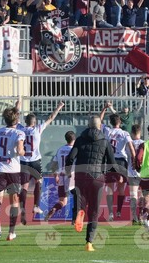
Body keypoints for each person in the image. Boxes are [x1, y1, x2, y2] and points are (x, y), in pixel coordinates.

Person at [66, 115, 114, 252]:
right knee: (94, 210)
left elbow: (70, 158)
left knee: (82, 200)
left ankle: (79, 212)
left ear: (88, 125)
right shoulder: (105, 141)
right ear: (100, 126)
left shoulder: (80, 139)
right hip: (97, 177)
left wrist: (69, 171)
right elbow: (112, 162)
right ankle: (89, 242)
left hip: (81, 175)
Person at [17, 100, 65, 224]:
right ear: (34, 122)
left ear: (26, 122)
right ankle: (35, 206)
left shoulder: (20, 129)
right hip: (35, 161)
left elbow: (15, 116)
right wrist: (59, 106)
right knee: (38, 181)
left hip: (23, 161)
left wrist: (18, 105)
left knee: (24, 186)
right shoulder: (37, 129)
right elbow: (50, 117)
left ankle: (22, 209)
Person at [0, 106, 26, 241]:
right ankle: (11, 231)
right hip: (12, 170)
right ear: (16, 119)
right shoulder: (19, 133)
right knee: (14, 201)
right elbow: (19, 151)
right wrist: (23, 152)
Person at [98, 103, 135, 221]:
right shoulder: (125, 133)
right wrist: (134, 160)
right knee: (120, 187)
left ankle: (110, 213)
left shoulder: (107, 131)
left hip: (109, 161)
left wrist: (104, 108)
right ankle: (118, 210)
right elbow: (130, 146)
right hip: (121, 161)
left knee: (109, 188)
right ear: (120, 122)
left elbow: (99, 121)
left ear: (111, 122)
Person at [44, 131, 77, 222]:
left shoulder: (60, 149)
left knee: (63, 201)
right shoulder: (74, 150)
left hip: (62, 176)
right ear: (74, 139)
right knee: (78, 196)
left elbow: (53, 165)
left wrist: (56, 175)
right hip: (71, 176)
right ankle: (75, 219)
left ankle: (54, 209)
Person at [127, 124, 145, 224]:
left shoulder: (129, 143)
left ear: (132, 133)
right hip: (142, 172)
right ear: (140, 132)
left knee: (133, 195)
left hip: (132, 171)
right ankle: (141, 214)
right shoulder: (144, 143)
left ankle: (134, 216)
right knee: (142, 195)